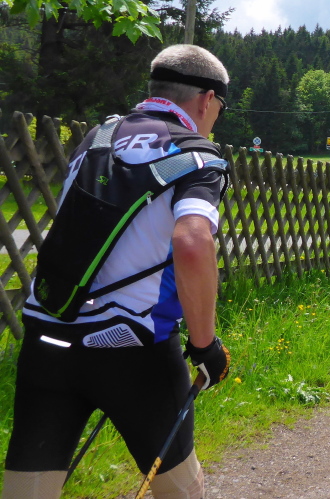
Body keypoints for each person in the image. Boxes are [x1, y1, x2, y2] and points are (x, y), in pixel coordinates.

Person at [3, 44, 231, 499]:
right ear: (208, 99)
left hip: (48, 336)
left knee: (28, 489)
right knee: (180, 489)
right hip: (134, 349)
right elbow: (192, 242)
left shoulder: (98, 138)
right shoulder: (199, 157)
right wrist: (205, 346)